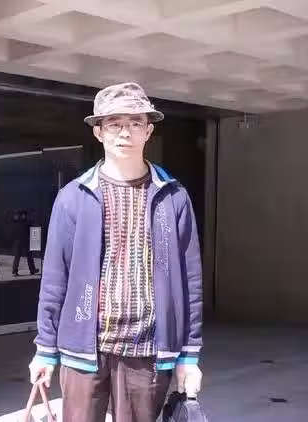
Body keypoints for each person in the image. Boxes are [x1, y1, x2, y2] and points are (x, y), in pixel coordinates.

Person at [29, 83, 203, 422]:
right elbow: (55, 278)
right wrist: (45, 350)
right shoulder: (74, 196)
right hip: (84, 348)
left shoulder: (173, 197)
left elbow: (190, 281)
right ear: (98, 132)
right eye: (114, 124)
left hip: (147, 349)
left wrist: (189, 355)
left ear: (148, 131)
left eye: (135, 123)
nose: (125, 132)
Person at [12, 210, 39, 276]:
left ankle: (15, 270)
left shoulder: (17, 222)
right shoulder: (26, 222)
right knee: (28, 256)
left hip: (19, 240)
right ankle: (32, 269)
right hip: (24, 241)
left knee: (18, 256)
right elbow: (31, 229)